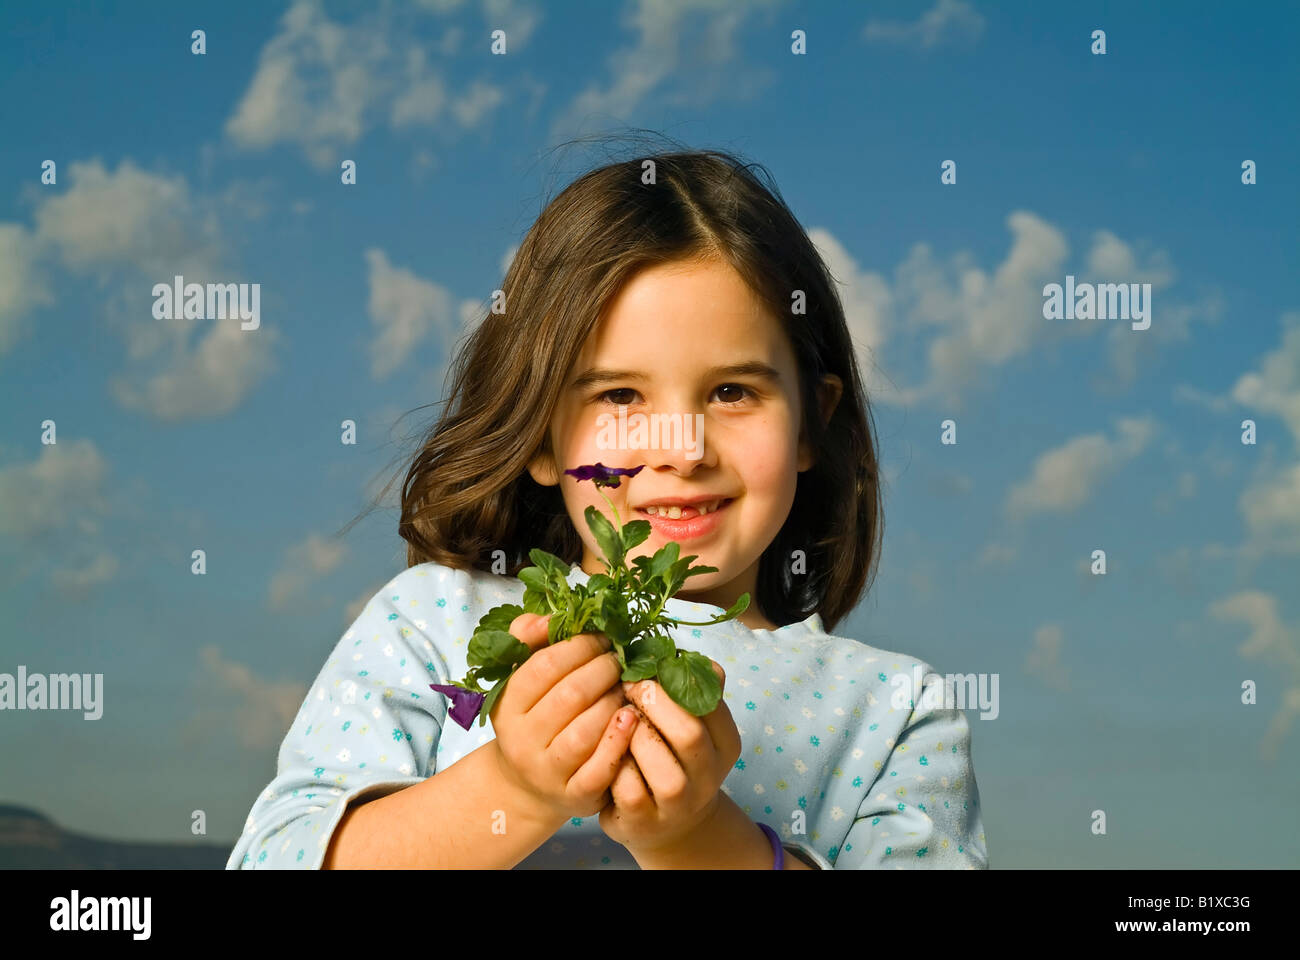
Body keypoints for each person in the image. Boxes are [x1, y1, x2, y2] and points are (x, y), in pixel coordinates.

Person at [226, 144, 987, 870]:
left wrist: (697, 841)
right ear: (542, 434)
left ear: (811, 423)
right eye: (621, 396)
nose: (682, 448)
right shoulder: (431, 624)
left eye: (732, 392)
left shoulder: (894, 713)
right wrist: (513, 788)